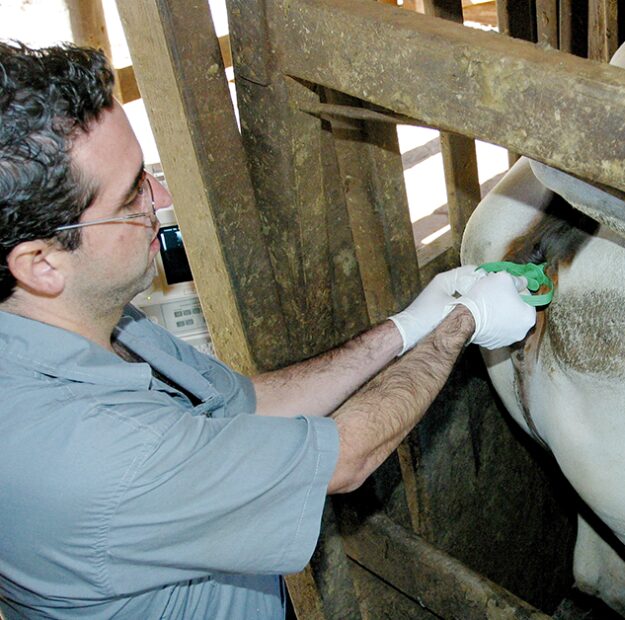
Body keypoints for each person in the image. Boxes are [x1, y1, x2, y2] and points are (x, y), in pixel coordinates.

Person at [0, 42, 536, 619]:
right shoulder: (95, 452)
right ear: (42, 263)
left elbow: (247, 406)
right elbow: (346, 457)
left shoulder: (96, 324)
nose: (162, 197)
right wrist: (460, 326)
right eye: (133, 193)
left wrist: (407, 327)